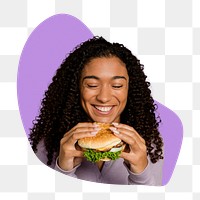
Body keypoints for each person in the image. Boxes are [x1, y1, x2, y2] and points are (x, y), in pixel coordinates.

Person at [29, 36, 164, 185]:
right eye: (92, 85)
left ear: (130, 90)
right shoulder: (47, 144)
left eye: (117, 85)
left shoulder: (149, 145)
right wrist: (63, 171)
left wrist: (141, 175)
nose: (104, 98)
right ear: (76, 89)